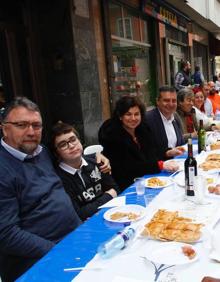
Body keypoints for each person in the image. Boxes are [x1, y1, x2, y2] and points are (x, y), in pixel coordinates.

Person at [0, 97, 110, 282]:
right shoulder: (4, 168)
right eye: (21, 125)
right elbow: (6, 234)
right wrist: (57, 250)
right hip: (39, 260)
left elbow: (70, 155)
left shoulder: (41, 152)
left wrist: (98, 157)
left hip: (76, 237)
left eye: (36, 125)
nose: (31, 131)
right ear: (4, 127)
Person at [98, 96, 178, 191]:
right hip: (125, 185)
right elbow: (128, 167)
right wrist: (159, 165)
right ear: (120, 116)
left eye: (136, 114)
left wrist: (167, 152)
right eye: (128, 114)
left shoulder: (142, 129)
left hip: (146, 179)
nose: (133, 118)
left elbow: (151, 152)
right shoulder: (112, 136)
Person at [50, 121, 119, 221]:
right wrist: (108, 195)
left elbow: (116, 189)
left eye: (73, 140)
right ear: (57, 153)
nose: (71, 146)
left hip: (111, 215)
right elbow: (79, 214)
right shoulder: (59, 179)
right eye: (63, 144)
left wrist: (92, 209)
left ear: (79, 140)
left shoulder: (97, 161)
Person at [145, 85, 185, 160]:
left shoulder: (175, 118)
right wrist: (166, 153)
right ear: (157, 101)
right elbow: (147, 151)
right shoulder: (148, 120)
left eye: (174, 101)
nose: (170, 104)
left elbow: (181, 143)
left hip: (177, 163)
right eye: (166, 100)